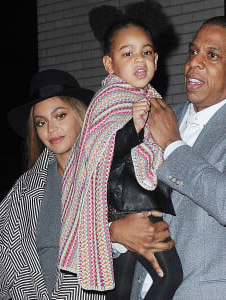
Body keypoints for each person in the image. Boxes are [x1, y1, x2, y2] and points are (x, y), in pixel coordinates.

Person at [119, 16, 226, 300]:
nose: (194, 63)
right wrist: (117, 231)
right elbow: (118, 191)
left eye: (212, 55)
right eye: (193, 51)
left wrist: (172, 144)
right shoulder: (156, 116)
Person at [58, 4, 182, 300]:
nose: (140, 60)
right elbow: (100, 149)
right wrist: (134, 127)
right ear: (109, 64)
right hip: (129, 205)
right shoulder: (109, 98)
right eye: (128, 53)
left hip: (134, 201)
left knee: (120, 287)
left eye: (147, 52)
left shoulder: (150, 97)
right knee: (169, 275)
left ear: (157, 58)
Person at [0, 69, 109, 299]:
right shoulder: (26, 187)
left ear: (80, 114)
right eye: (41, 122)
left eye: (60, 115)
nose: (51, 129)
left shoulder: (108, 173)